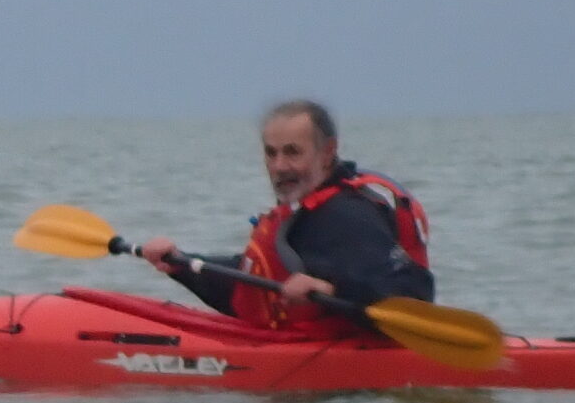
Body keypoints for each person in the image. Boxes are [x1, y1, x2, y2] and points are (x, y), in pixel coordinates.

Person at [137, 99, 433, 329]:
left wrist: (330, 289)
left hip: (346, 371)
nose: (279, 166)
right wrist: (180, 263)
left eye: (292, 152)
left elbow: (414, 292)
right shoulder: (304, 209)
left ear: (327, 152)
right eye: (271, 153)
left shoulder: (347, 215)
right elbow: (249, 285)